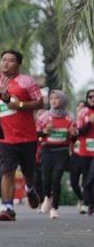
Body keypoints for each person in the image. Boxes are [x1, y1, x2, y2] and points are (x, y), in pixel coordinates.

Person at [0, 50, 43, 221]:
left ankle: (29, 188)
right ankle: (7, 207)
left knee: (29, 171)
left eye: (11, 60)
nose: (6, 63)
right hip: (5, 137)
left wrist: (19, 105)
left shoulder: (26, 81)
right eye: (4, 59)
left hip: (27, 136)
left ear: (18, 64)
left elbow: (40, 102)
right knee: (7, 172)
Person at [36, 90, 76, 219]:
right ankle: (48, 196)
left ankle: (55, 208)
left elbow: (74, 139)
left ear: (63, 101)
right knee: (46, 180)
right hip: (47, 151)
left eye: (56, 98)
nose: (53, 101)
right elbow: (36, 133)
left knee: (56, 178)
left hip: (62, 151)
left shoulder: (70, 118)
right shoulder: (44, 117)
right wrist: (44, 131)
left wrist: (73, 134)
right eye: (51, 98)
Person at [75, 89, 94, 215]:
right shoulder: (82, 112)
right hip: (85, 151)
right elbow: (79, 132)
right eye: (90, 97)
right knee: (86, 180)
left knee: (92, 178)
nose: (92, 99)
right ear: (87, 98)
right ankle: (89, 204)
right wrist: (89, 123)